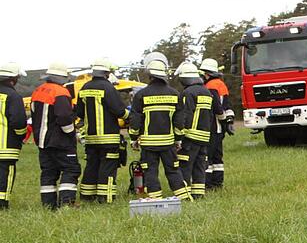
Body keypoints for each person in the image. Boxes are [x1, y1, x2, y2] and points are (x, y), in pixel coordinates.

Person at [130, 58, 191, 201]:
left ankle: (155, 199)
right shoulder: (174, 94)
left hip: (148, 144)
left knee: (150, 171)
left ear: (150, 76)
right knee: (173, 170)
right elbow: (179, 121)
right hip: (168, 143)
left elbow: (135, 120)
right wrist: (178, 140)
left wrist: (133, 139)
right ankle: (184, 198)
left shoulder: (141, 95)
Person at [75, 58, 129, 203]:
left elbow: (79, 112)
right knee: (108, 167)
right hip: (108, 138)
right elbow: (119, 110)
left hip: (91, 138)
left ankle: (87, 196)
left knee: (92, 166)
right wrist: (130, 117)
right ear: (107, 72)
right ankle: (106, 197)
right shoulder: (108, 88)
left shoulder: (84, 88)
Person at [30, 63, 81, 209]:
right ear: (61, 77)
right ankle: (66, 203)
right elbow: (64, 117)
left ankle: (48, 204)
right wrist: (71, 133)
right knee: (71, 169)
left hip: (42, 141)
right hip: (60, 141)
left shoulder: (38, 91)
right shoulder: (60, 92)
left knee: (48, 172)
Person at [176, 62, 223, 200]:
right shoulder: (206, 92)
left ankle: (185, 194)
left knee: (185, 166)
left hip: (190, 137)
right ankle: (199, 194)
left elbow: (185, 116)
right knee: (199, 166)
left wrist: (179, 136)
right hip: (204, 137)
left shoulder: (187, 93)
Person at [199, 58, 234, 190]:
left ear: (207, 74)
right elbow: (227, 105)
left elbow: (217, 107)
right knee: (217, 157)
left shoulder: (210, 86)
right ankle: (218, 183)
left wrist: (223, 119)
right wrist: (228, 122)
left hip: (212, 126)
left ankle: (207, 184)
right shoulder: (221, 84)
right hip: (220, 128)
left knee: (208, 156)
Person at [0, 63, 28, 210]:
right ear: (12, 78)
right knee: (5, 172)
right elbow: (18, 121)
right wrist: (21, 135)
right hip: (6, 145)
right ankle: (2, 203)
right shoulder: (12, 96)